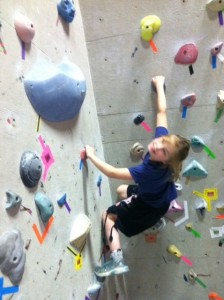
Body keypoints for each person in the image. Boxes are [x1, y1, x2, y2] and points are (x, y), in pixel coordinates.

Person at [85, 75, 190, 278]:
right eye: (162, 142)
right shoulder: (162, 145)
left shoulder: (149, 171)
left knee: (107, 216)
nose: (157, 146)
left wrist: (91, 155)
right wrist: (159, 85)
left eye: (164, 151)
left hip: (148, 206)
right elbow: (161, 112)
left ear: (167, 161)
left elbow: (112, 172)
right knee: (121, 191)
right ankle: (149, 218)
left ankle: (117, 261)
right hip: (157, 200)